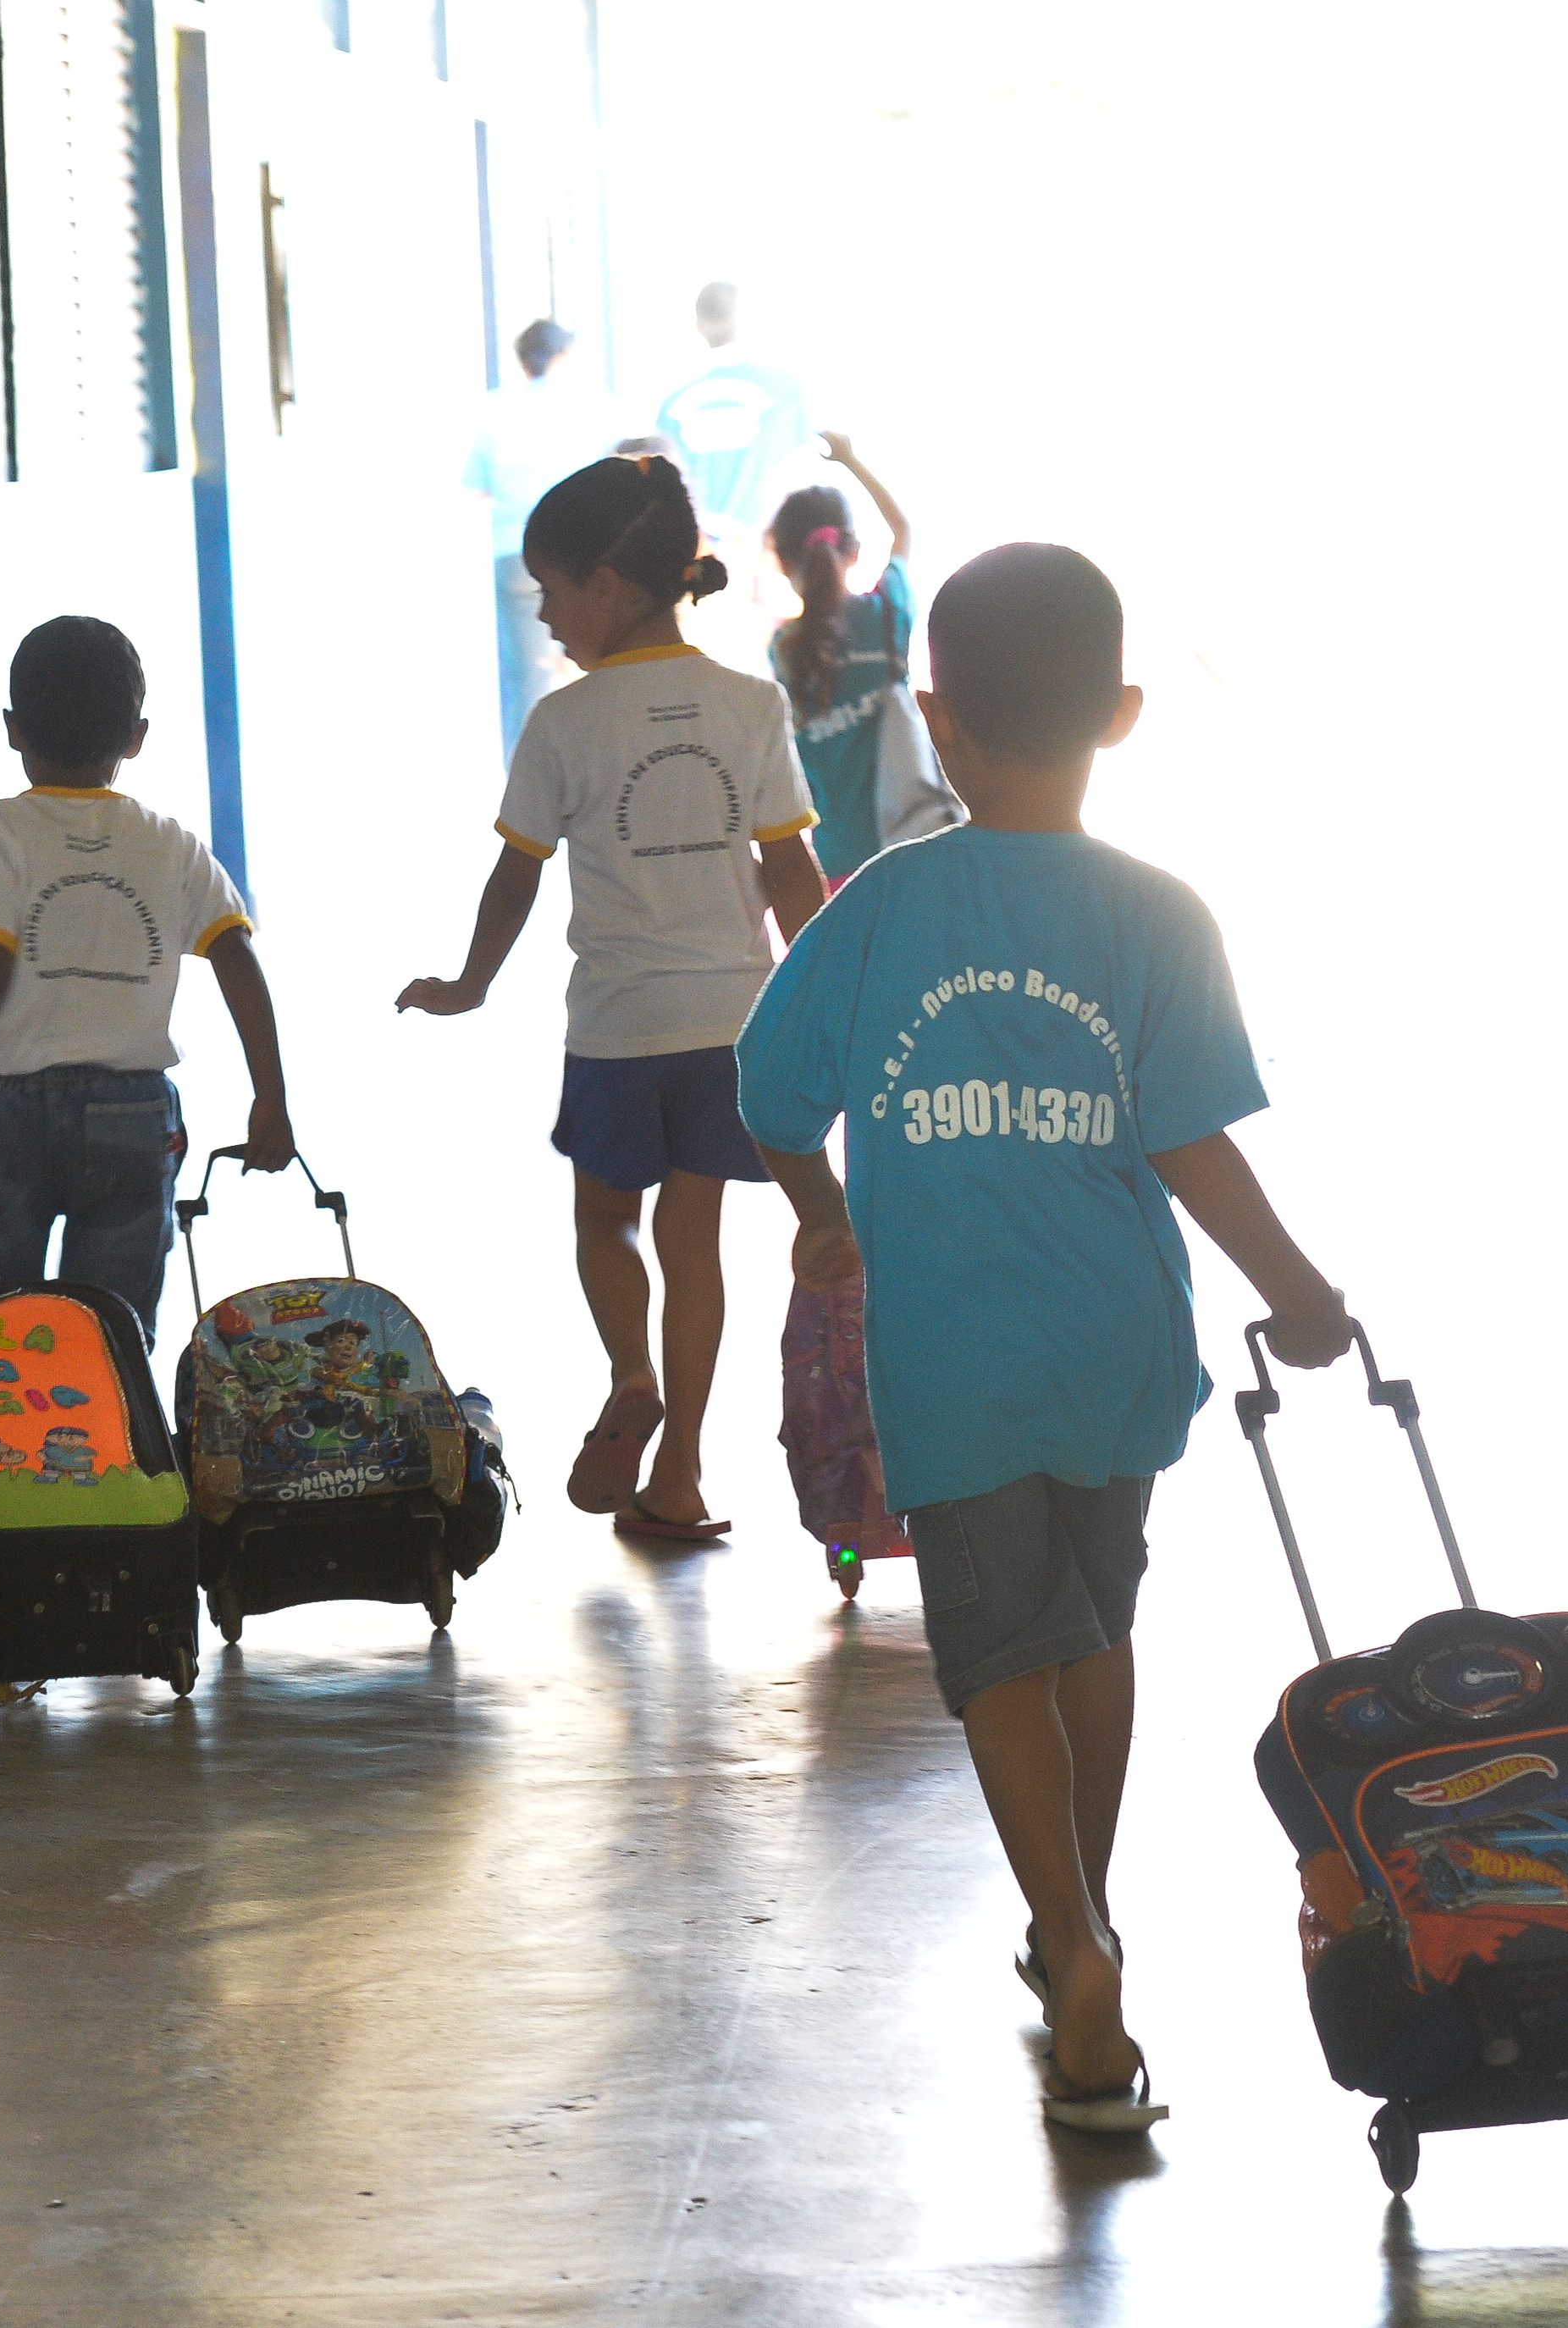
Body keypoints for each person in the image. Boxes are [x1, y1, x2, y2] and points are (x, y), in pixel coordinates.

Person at [735, 543, 1352, 2134]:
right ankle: (1082, 1904)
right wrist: (1299, 1286)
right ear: (1125, 713)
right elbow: (1194, 1141)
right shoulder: (1159, 913)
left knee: (996, 1647)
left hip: (952, 1353)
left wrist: (825, 1204)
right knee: (1089, 1624)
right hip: (1116, 1341)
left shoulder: (882, 907)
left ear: (931, 717)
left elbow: (768, 1088)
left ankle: (1071, 1937)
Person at [396, 457, 825, 1540]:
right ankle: (679, 1468)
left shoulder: (566, 721)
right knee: (698, 1242)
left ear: (607, 586)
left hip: (620, 1028)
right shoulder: (751, 705)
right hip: (734, 1022)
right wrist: (820, 992)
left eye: (549, 591)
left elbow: (516, 874)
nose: (543, 616)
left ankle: (632, 1372)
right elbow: (790, 872)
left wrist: (469, 984)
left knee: (605, 1220)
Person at [0, 617, 294, 1342]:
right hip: (134, 1113)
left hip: (12, 1117)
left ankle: (3, 1447)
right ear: (137, 735)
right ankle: (109, 1450)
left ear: (11, 728)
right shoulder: (171, 842)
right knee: (113, 1326)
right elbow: (238, 961)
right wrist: (271, 1100)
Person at [466, 318, 626, 762]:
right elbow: (621, 473)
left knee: (526, 681)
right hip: (583, 554)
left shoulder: (495, 410)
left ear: (522, 362)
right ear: (565, 356)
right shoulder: (595, 404)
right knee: (599, 666)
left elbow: (475, 488)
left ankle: (527, 795)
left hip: (515, 555)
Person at [768, 434, 925, 887]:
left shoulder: (783, 649)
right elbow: (904, 530)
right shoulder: (888, 610)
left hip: (838, 863)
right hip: (913, 837)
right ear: (853, 551)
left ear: (782, 563)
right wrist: (850, 459)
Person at [654, 281, 811, 546]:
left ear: (699, 325)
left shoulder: (672, 404)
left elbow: (663, 485)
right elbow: (802, 474)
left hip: (700, 551)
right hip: (766, 550)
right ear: (744, 320)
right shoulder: (786, 390)